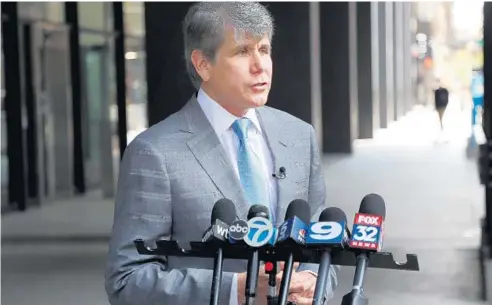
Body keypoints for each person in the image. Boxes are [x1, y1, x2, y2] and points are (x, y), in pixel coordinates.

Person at [104, 2, 337, 305]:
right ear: (203, 64)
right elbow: (127, 281)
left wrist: (313, 279)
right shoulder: (154, 153)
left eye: (264, 49)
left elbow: (322, 243)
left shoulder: (298, 136)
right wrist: (233, 289)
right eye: (242, 52)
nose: (260, 65)